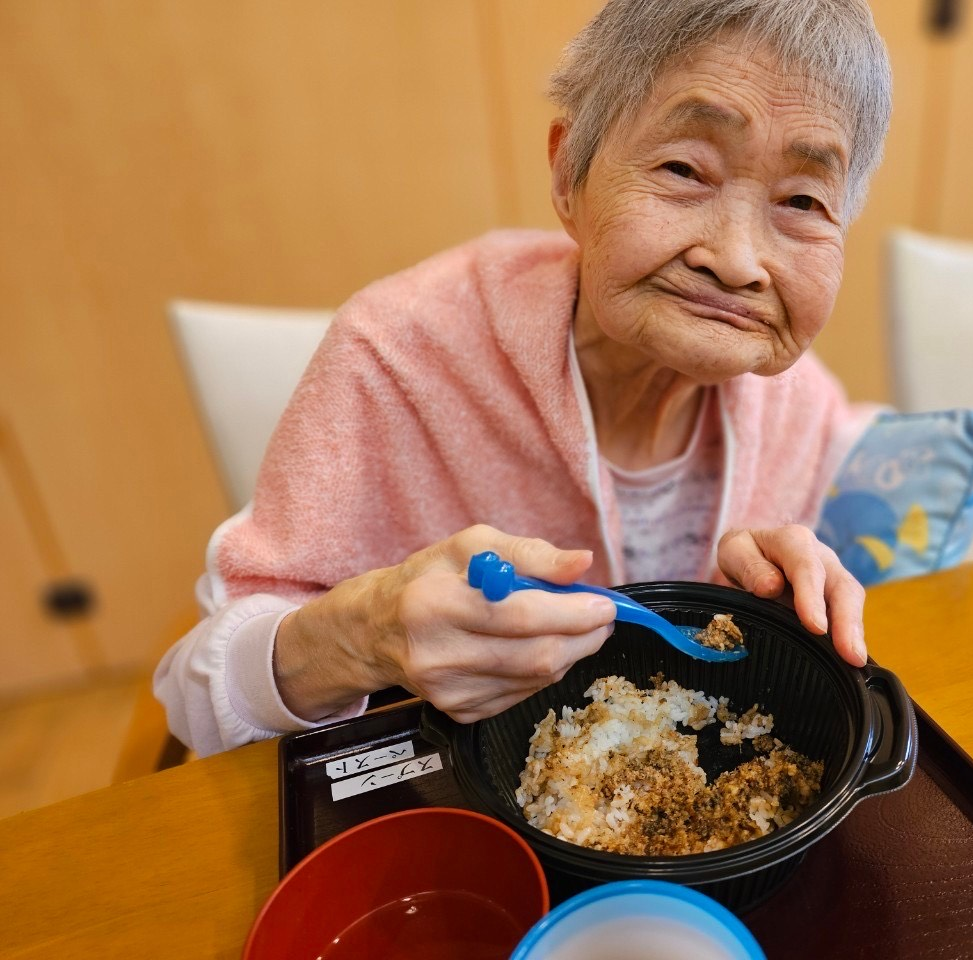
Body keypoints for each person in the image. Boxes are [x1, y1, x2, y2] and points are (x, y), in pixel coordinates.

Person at [155, 0, 893, 756]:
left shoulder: (797, 397)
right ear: (568, 173)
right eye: (683, 168)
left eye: (803, 200)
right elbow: (194, 699)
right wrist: (367, 633)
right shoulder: (398, 353)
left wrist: (770, 607)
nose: (737, 261)